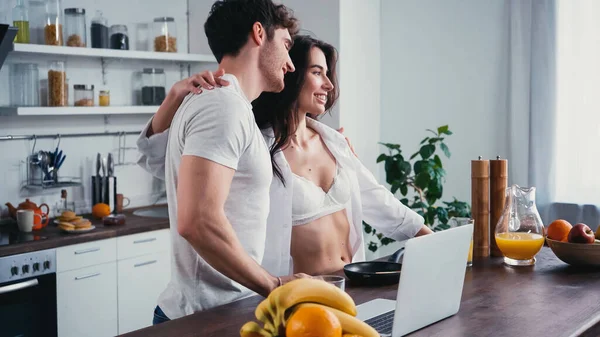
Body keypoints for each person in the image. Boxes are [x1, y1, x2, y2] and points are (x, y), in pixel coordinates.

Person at [139, 35, 433, 281]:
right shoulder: (254, 145)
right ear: (290, 73)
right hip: (293, 295)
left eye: (328, 74)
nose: (329, 85)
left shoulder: (335, 142)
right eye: (317, 72)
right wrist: (174, 97)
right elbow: (166, 164)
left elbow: (378, 201)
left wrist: (432, 240)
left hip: (351, 287)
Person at [139, 0, 312, 325]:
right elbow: (197, 220)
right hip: (204, 319)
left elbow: (160, 162)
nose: (291, 64)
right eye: (286, 46)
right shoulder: (224, 107)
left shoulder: (225, 105)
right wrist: (273, 285)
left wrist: (173, 97)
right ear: (259, 33)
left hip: (218, 312)